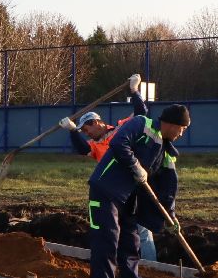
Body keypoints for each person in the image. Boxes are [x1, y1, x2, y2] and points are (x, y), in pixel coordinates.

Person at [85, 102, 190, 278]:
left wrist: (171, 216)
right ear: (172, 124)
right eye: (182, 129)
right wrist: (135, 165)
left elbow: (168, 188)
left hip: (130, 198)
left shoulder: (166, 151)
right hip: (106, 190)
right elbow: (118, 143)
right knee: (107, 240)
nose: (182, 134)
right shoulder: (141, 123)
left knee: (131, 243)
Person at [60, 74, 157, 260]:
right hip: (113, 192)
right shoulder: (95, 146)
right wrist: (73, 131)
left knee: (142, 230)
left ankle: (152, 266)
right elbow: (82, 149)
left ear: (96, 123)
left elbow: (141, 114)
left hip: (134, 183)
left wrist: (134, 90)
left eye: (86, 130)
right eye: (83, 132)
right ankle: (128, 263)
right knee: (120, 230)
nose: (86, 134)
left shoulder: (123, 128)